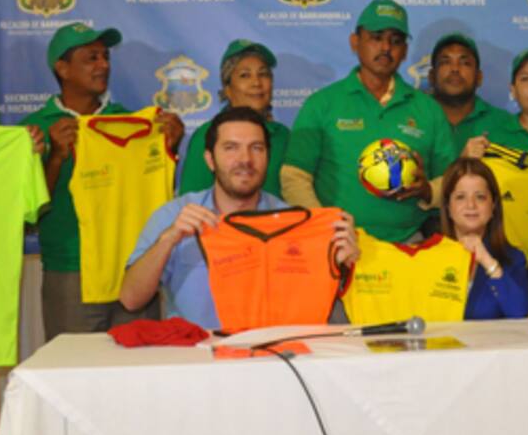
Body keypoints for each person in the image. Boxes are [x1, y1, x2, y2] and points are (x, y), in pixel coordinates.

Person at [121, 106, 359, 329]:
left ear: (267, 157)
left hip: (271, 353)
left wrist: (338, 266)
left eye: (256, 148)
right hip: (195, 353)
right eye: (231, 148)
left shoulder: (293, 222)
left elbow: (309, 306)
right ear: (210, 160)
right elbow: (131, 299)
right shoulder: (175, 215)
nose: (245, 159)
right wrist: (168, 240)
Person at [22, 22, 185, 340]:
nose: (103, 65)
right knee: (75, 366)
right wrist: (55, 158)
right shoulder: (35, 128)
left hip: (132, 266)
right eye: (91, 58)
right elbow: (29, 212)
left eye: (105, 57)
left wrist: (170, 146)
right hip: (72, 270)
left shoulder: (131, 122)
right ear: (63, 68)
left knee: (138, 363)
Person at [281, 0, 456, 242]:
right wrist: (325, 228)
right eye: (376, 37)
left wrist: (428, 191)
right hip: (337, 243)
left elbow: (452, 181)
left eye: (395, 41)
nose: (385, 47)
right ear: (355, 42)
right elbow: (294, 176)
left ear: (405, 51)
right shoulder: (322, 104)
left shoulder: (428, 110)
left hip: (409, 244)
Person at [178, 39, 288, 196]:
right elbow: (192, 201)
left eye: (263, 74)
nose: (256, 83)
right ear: (227, 89)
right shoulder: (207, 135)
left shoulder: (283, 136)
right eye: (245, 75)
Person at [440, 158, 528, 319]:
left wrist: (488, 262)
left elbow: (519, 313)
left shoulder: (513, 259)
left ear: (493, 205)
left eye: (480, 197)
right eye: (460, 197)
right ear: (448, 206)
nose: (471, 205)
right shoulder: (428, 257)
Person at [427, 32, 510, 158]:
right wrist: (463, 162)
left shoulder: (503, 123)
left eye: (465, 63)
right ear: (431, 77)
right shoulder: (414, 117)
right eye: (445, 62)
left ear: (479, 78)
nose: (455, 69)